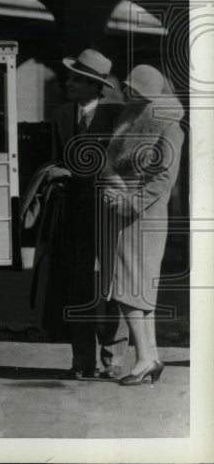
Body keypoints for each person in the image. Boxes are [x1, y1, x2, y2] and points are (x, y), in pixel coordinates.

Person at [38, 48, 128, 380]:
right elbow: (54, 160)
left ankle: (113, 357)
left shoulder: (117, 115)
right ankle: (82, 360)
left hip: (108, 213)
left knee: (111, 285)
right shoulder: (61, 115)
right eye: (71, 77)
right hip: (74, 217)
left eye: (77, 79)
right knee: (79, 286)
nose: (69, 83)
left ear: (94, 86)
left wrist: (72, 173)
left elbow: (119, 165)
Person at [100, 64, 183, 386]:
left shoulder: (169, 126)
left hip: (143, 215)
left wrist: (127, 201)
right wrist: (114, 188)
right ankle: (150, 357)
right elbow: (113, 163)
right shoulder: (129, 115)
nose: (125, 87)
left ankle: (145, 359)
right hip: (124, 215)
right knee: (133, 287)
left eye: (132, 85)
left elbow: (164, 178)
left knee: (129, 288)